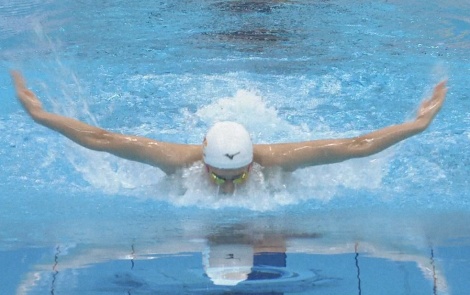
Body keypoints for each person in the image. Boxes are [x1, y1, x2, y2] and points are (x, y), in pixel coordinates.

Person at [11, 70, 448, 194]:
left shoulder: (279, 158)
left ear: (254, 157)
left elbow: (355, 147)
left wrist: (418, 124)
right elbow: (102, 140)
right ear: (200, 153)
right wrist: (41, 116)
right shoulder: (172, 158)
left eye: (236, 177)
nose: (227, 187)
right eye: (221, 177)